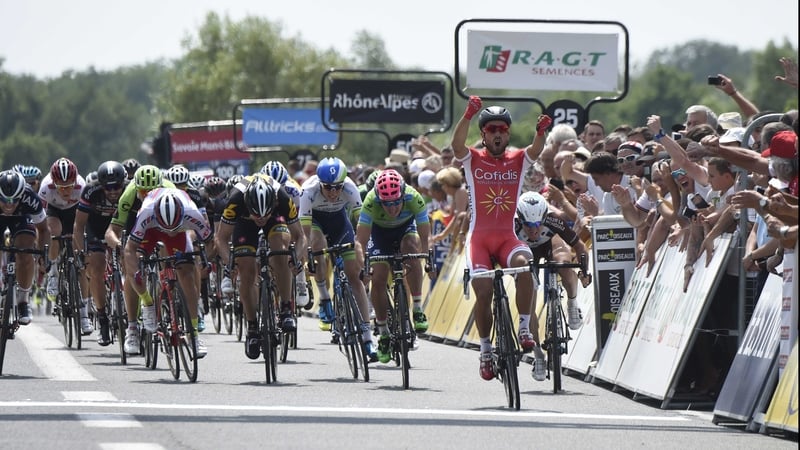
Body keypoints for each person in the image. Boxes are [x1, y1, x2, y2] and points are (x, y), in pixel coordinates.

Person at [450, 95, 551, 381]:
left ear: (507, 134)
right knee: (483, 292)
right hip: (479, 239)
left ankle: (523, 328)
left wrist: (540, 132)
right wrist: (468, 114)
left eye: (502, 129)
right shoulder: (473, 159)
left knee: (524, 263)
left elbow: (536, 149)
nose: (497, 133)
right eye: (491, 129)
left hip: (507, 237)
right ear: (483, 134)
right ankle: (484, 350)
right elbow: (456, 146)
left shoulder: (518, 159)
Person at [215, 175, 306, 360]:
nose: (261, 219)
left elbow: (301, 237)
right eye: (257, 214)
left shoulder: (282, 197)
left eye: (264, 214)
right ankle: (252, 328)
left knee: (280, 251)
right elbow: (221, 239)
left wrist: (296, 258)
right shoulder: (235, 200)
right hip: (243, 222)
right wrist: (229, 262)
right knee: (246, 270)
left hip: (277, 219)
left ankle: (286, 309)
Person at [300, 157, 377, 360]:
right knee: (317, 246)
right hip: (315, 222)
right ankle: (325, 298)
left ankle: (367, 338)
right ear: (320, 183)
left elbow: (362, 223)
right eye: (328, 187)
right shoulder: (308, 191)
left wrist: (363, 251)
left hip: (339, 223)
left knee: (355, 277)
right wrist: (308, 255)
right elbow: (304, 233)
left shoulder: (350, 188)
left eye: (337, 187)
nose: (333, 192)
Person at [124, 188, 213, 358]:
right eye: (167, 227)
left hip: (180, 233)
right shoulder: (147, 212)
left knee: (186, 273)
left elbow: (210, 243)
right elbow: (129, 250)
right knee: (135, 260)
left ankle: (193, 334)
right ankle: (148, 304)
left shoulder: (192, 213)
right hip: (151, 230)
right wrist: (135, 272)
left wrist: (204, 262)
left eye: (173, 226)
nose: (169, 229)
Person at [514, 191, 591, 380]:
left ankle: (572, 303)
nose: (533, 230)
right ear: (520, 219)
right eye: (528, 225)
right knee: (528, 300)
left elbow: (580, 246)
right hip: (524, 252)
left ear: (544, 217)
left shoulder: (553, 219)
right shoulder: (512, 224)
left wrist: (583, 271)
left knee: (564, 263)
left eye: (537, 224)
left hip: (551, 246)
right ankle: (538, 356)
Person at [356, 169, 431, 363]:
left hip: (405, 229)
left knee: (412, 250)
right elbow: (361, 242)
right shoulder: (371, 200)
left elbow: (424, 237)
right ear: (379, 199)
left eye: (396, 202)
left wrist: (427, 260)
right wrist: (363, 267)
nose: (392, 209)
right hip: (379, 234)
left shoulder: (414, 196)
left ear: (403, 195)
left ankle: (417, 308)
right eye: (386, 204)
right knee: (378, 278)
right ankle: (383, 333)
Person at [104, 165, 175, 354]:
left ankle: (170, 302)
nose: (147, 195)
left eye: (153, 191)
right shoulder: (128, 195)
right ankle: (133, 328)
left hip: (161, 223)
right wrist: (120, 246)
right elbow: (111, 231)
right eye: (143, 191)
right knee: (130, 270)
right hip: (137, 226)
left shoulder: (171, 190)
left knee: (175, 258)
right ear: (137, 189)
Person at [73, 160, 128, 346]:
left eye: (117, 187)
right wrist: (81, 252)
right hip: (95, 229)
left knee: (130, 261)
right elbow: (79, 226)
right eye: (108, 188)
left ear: (124, 183)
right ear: (100, 185)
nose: (113, 192)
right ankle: (103, 317)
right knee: (96, 267)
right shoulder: (90, 191)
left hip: (120, 229)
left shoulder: (130, 191)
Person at [39, 158, 93, 335]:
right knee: (55, 233)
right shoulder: (46, 188)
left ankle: (84, 315)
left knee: (81, 268)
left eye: (69, 186)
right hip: (54, 212)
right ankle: (53, 273)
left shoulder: (82, 186)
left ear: (75, 182)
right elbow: (39, 218)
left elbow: (85, 220)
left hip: (75, 213)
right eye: (61, 187)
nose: (65, 191)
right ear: (53, 183)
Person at [0, 170, 48, 325]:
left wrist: (42, 255)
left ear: (21, 195)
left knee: (26, 251)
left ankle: (23, 301)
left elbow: (43, 229)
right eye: (4, 200)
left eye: (14, 200)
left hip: (21, 219)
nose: (9, 205)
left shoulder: (30, 198)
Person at [260, 160, 310, 308]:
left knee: (296, 238)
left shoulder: (293, 190)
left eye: (280, 186)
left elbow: (299, 225)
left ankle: (301, 279)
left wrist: (297, 253)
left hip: (286, 213)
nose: (276, 190)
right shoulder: (258, 187)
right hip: (264, 211)